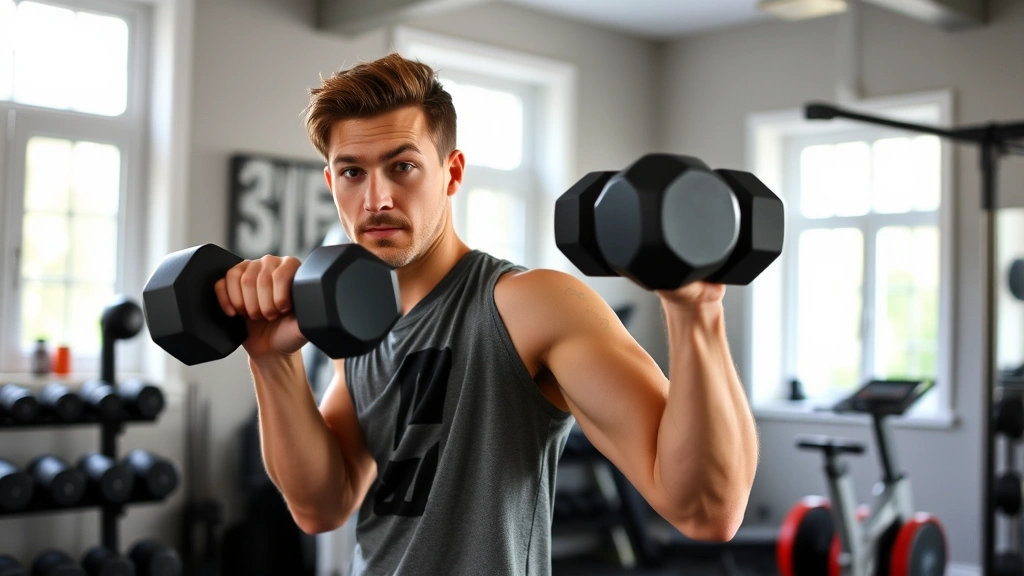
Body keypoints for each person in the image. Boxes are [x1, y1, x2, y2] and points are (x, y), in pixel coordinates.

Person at [213, 53, 759, 576]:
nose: (376, 198)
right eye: (352, 173)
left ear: (452, 173)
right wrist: (270, 360)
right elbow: (322, 506)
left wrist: (697, 310)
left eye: (402, 166)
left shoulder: (532, 305)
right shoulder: (355, 326)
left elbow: (706, 510)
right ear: (332, 184)